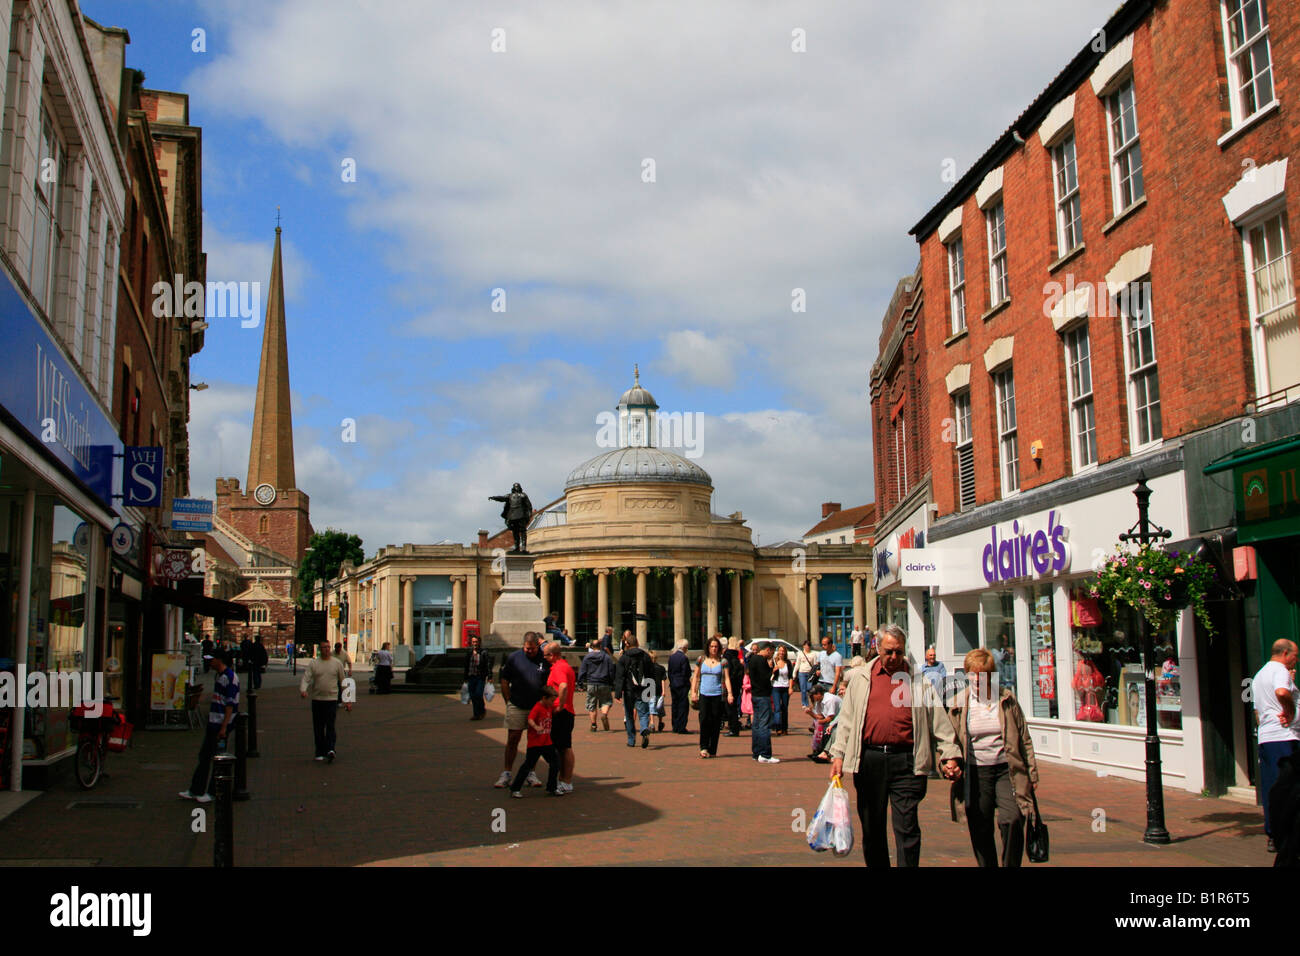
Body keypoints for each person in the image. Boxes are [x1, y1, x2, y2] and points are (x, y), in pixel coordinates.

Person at [828, 624, 962, 867]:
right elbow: (846, 719)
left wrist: (949, 754)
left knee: (907, 828)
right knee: (872, 828)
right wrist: (838, 754)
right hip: (870, 761)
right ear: (877, 648)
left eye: (898, 652)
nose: (893, 657)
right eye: (888, 651)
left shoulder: (919, 682)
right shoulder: (861, 678)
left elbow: (938, 721)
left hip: (907, 762)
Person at [949, 648, 1039, 867]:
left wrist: (1032, 774)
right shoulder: (958, 704)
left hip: (1006, 770)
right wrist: (951, 761)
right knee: (980, 825)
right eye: (973, 674)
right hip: (976, 771)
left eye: (983, 675)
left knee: (1013, 819)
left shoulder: (1006, 699)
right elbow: (951, 739)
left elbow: (1024, 737)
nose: (977, 680)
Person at [1254, 639, 1300, 853]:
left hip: (1266, 737)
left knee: (1272, 787)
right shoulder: (1280, 670)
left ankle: (1273, 833)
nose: (1296, 660)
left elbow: (1257, 712)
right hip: (1284, 737)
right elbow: (1282, 693)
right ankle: (1286, 833)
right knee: (1289, 787)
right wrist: (1289, 712)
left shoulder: (1259, 675)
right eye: (1294, 655)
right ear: (1284, 653)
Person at [179, 653, 239, 803]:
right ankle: (196, 789)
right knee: (205, 756)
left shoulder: (229, 677)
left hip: (220, 724)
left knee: (217, 759)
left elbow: (230, 705)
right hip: (214, 722)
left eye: (211, 660)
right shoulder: (219, 676)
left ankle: (212, 792)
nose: (209, 663)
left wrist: (224, 727)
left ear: (219, 660)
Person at [495, 632, 550, 788]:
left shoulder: (544, 658)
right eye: (527, 648)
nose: (529, 651)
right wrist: (508, 701)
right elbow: (504, 680)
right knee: (513, 738)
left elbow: (548, 682)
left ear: (537, 646)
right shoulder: (514, 658)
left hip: (537, 707)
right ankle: (506, 773)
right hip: (517, 705)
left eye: (532, 649)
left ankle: (531, 772)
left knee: (535, 742)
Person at [299, 641, 350, 762]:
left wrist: (347, 700)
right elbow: (306, 678)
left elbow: (343, 681)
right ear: (320, 650)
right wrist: (303, 690)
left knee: (330, 726)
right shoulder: (314, 663)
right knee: (318, 727)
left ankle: (330, 749)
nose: (326, 650)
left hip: (331, 699)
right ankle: (319, 751)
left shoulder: (337, 664)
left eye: (328, 647)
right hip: (317, 699)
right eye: (323, 648)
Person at [510, 685, 561, 797]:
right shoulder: (537, 707)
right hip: (535, 743)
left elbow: (557, 708)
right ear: (544, 698)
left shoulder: (549, 707)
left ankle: (552, 787)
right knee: (528, 765)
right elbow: (530, 719)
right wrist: (536, 727)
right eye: (551, 700)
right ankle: (515, 788)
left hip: (547, 742)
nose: (552, 703)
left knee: (555, 763)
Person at [691, 635, 732, 758]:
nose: (714, 649)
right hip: (704, 694)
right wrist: (694, 692)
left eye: (716, 646)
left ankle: (712, 748)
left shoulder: (723, 662)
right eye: (711, 646)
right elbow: (696, 677)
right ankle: (703, 747)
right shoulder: (701, 660)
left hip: (717, 695)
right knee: (704, 720)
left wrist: (730, 693)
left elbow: (727, 678)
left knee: (715, 722)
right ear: (708, 647)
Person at [544, 641, 577, 793]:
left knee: (563, 748)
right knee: (563, 747)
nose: (543, 658)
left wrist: (560, 705)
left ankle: (566, 781)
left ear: (552, 655)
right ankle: (563, 780)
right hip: (565, 712)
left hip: (562, 713)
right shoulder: (564, 666)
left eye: (545, 655)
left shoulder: (559, 668)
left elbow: (563, 685)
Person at [614, 634, 654, 748]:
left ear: (627, 644)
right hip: (643, 688)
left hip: (628, 690)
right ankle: (644, 728)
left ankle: (631, 740)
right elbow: (651, 673)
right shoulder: (645, 656)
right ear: (637, 643)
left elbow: (620, 676)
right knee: (644, 712)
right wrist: (651, 689)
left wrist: (618, 693)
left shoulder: (624, 657)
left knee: (629, 714)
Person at [746, 642, 778, 763]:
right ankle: (765, 754)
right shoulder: (761, 660)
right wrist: (773, 670)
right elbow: (766, 678)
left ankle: (757, 752)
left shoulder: (752, 659)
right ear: (768, 650)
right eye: (772, 652)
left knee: (757, 724)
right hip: (763, 695)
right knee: (764, 724)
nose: (772, 655)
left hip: (755, 694)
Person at [577, 639, 616, 731]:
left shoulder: (587, 657)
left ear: (591, 647)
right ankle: (604, 714)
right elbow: (611, 671)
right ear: (601, 646)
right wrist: (612, 682)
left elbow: (582, 671)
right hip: (604, 682)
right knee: (606, 701)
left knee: (591, 704)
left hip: (591, 683)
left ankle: (593, 724)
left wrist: (580, 684)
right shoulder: (606, 657)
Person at [804, 683, 840, 761]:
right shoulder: (819, 700)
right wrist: (811, 713)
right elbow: (820, 716)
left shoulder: (829, 700)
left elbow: (830, 718)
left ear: (819, 694)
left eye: (813, 695)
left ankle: (824, 753)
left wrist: (819, 722)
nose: (812, 697)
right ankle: (818, 751)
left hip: (839, 719)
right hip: (832, 720)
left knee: (826, 730)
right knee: (819, 728)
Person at [463, 635, 494, 720]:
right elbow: (466, 665)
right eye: (473, 642)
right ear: (471, 643)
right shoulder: (469, 653)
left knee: (478, 694)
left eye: (476, 642)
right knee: (473, 696)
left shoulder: (484, 652)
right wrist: (465, 677)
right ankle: (476, 714)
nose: (475, 644)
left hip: (480, 677)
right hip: (471, 676)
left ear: (479, 643)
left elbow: (488, 664)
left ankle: (481, 710)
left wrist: (490, 676)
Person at [668, 639, 692, 734]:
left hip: (673, 684)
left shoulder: (672, 657)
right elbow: (686, 672)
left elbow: (669, 672)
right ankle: (681, 727)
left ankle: (675, 725)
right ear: (684, 647)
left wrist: (672, 680)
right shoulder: (684, 658)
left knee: (675, 705)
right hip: (682, 684)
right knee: (683, 706)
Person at [723, 637, 745, 736]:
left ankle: (733, 728)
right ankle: (734, 726)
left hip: (729, 684)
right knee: (733, 707)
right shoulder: (736, 656)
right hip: (736, 684)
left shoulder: (727, 656)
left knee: (729, 707)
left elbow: (726, 672)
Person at [771, 645, 792, 735]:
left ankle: (784, 728)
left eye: (783, 651)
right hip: (776, 686)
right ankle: (777, 727)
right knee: (777, 708)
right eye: (780, 651)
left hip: (785, 686)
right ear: (778, 652)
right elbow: (769, 673)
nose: (781, 653)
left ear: (785, 652)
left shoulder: (788, 663)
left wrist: (790, 688)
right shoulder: (774, 661)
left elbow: (790, 676)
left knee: (784, 708)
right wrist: (774, 669)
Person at [794, 639, 817, 709]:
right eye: (806, 646)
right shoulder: (800, 654)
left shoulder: (813, 654)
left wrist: (815, 672)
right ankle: (805, 703)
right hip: (802, 673)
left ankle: (813, 702)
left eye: (808, 646)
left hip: (810, 673)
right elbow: (797, 664)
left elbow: (815, 665)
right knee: (803, 689)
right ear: (804, 646)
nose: (807, 647)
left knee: (810, 688)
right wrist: (794, 673)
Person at [648, 650, 667, 732]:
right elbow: (663, 680)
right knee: (660, 707)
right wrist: (663, 691)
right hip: (659, 690)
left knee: (651, 706)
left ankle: (652, 723)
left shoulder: (647, 669)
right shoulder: (661, 668)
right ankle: (660, 722)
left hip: (650, 690)